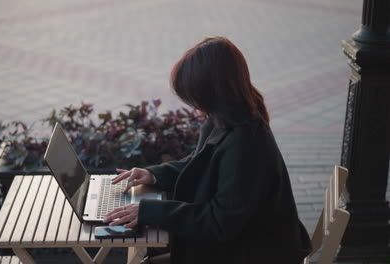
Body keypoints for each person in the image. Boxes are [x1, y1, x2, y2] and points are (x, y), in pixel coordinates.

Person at [103, 36, 312, 263]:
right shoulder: (229, 118)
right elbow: (201, 164)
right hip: (241, 242)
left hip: (253, 251)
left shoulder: (246, 144)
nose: (194, 105)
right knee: (146, 246)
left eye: (194, 97)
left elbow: (220, 222)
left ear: (212, 92)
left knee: (144, 255)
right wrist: (154, 174)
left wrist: (151, 211)